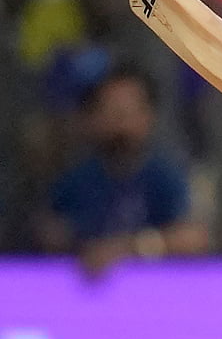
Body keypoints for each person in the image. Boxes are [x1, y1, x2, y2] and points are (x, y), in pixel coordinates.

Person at [38, 67, 206, 276]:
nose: (120, 124)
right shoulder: (76, 179)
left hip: (156, 294)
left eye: (128, 112)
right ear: (93, 117)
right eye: (111, 111)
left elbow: (192, 238)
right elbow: (50, 233)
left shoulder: (166, 176)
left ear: (148, 115)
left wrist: (129, 248)